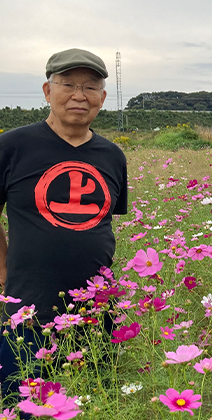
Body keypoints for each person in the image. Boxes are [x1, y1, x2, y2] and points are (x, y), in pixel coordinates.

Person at [0, 48, 128, 399]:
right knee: (22, 401)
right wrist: (3, 269)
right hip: (29, 305)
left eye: (90, 87)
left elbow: (102, 225)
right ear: (47, 91)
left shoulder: (113, 156)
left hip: (97, 307)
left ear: (102, 98)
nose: (79, 95)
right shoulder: (12, 146)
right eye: (67, 84)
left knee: (96, 401)